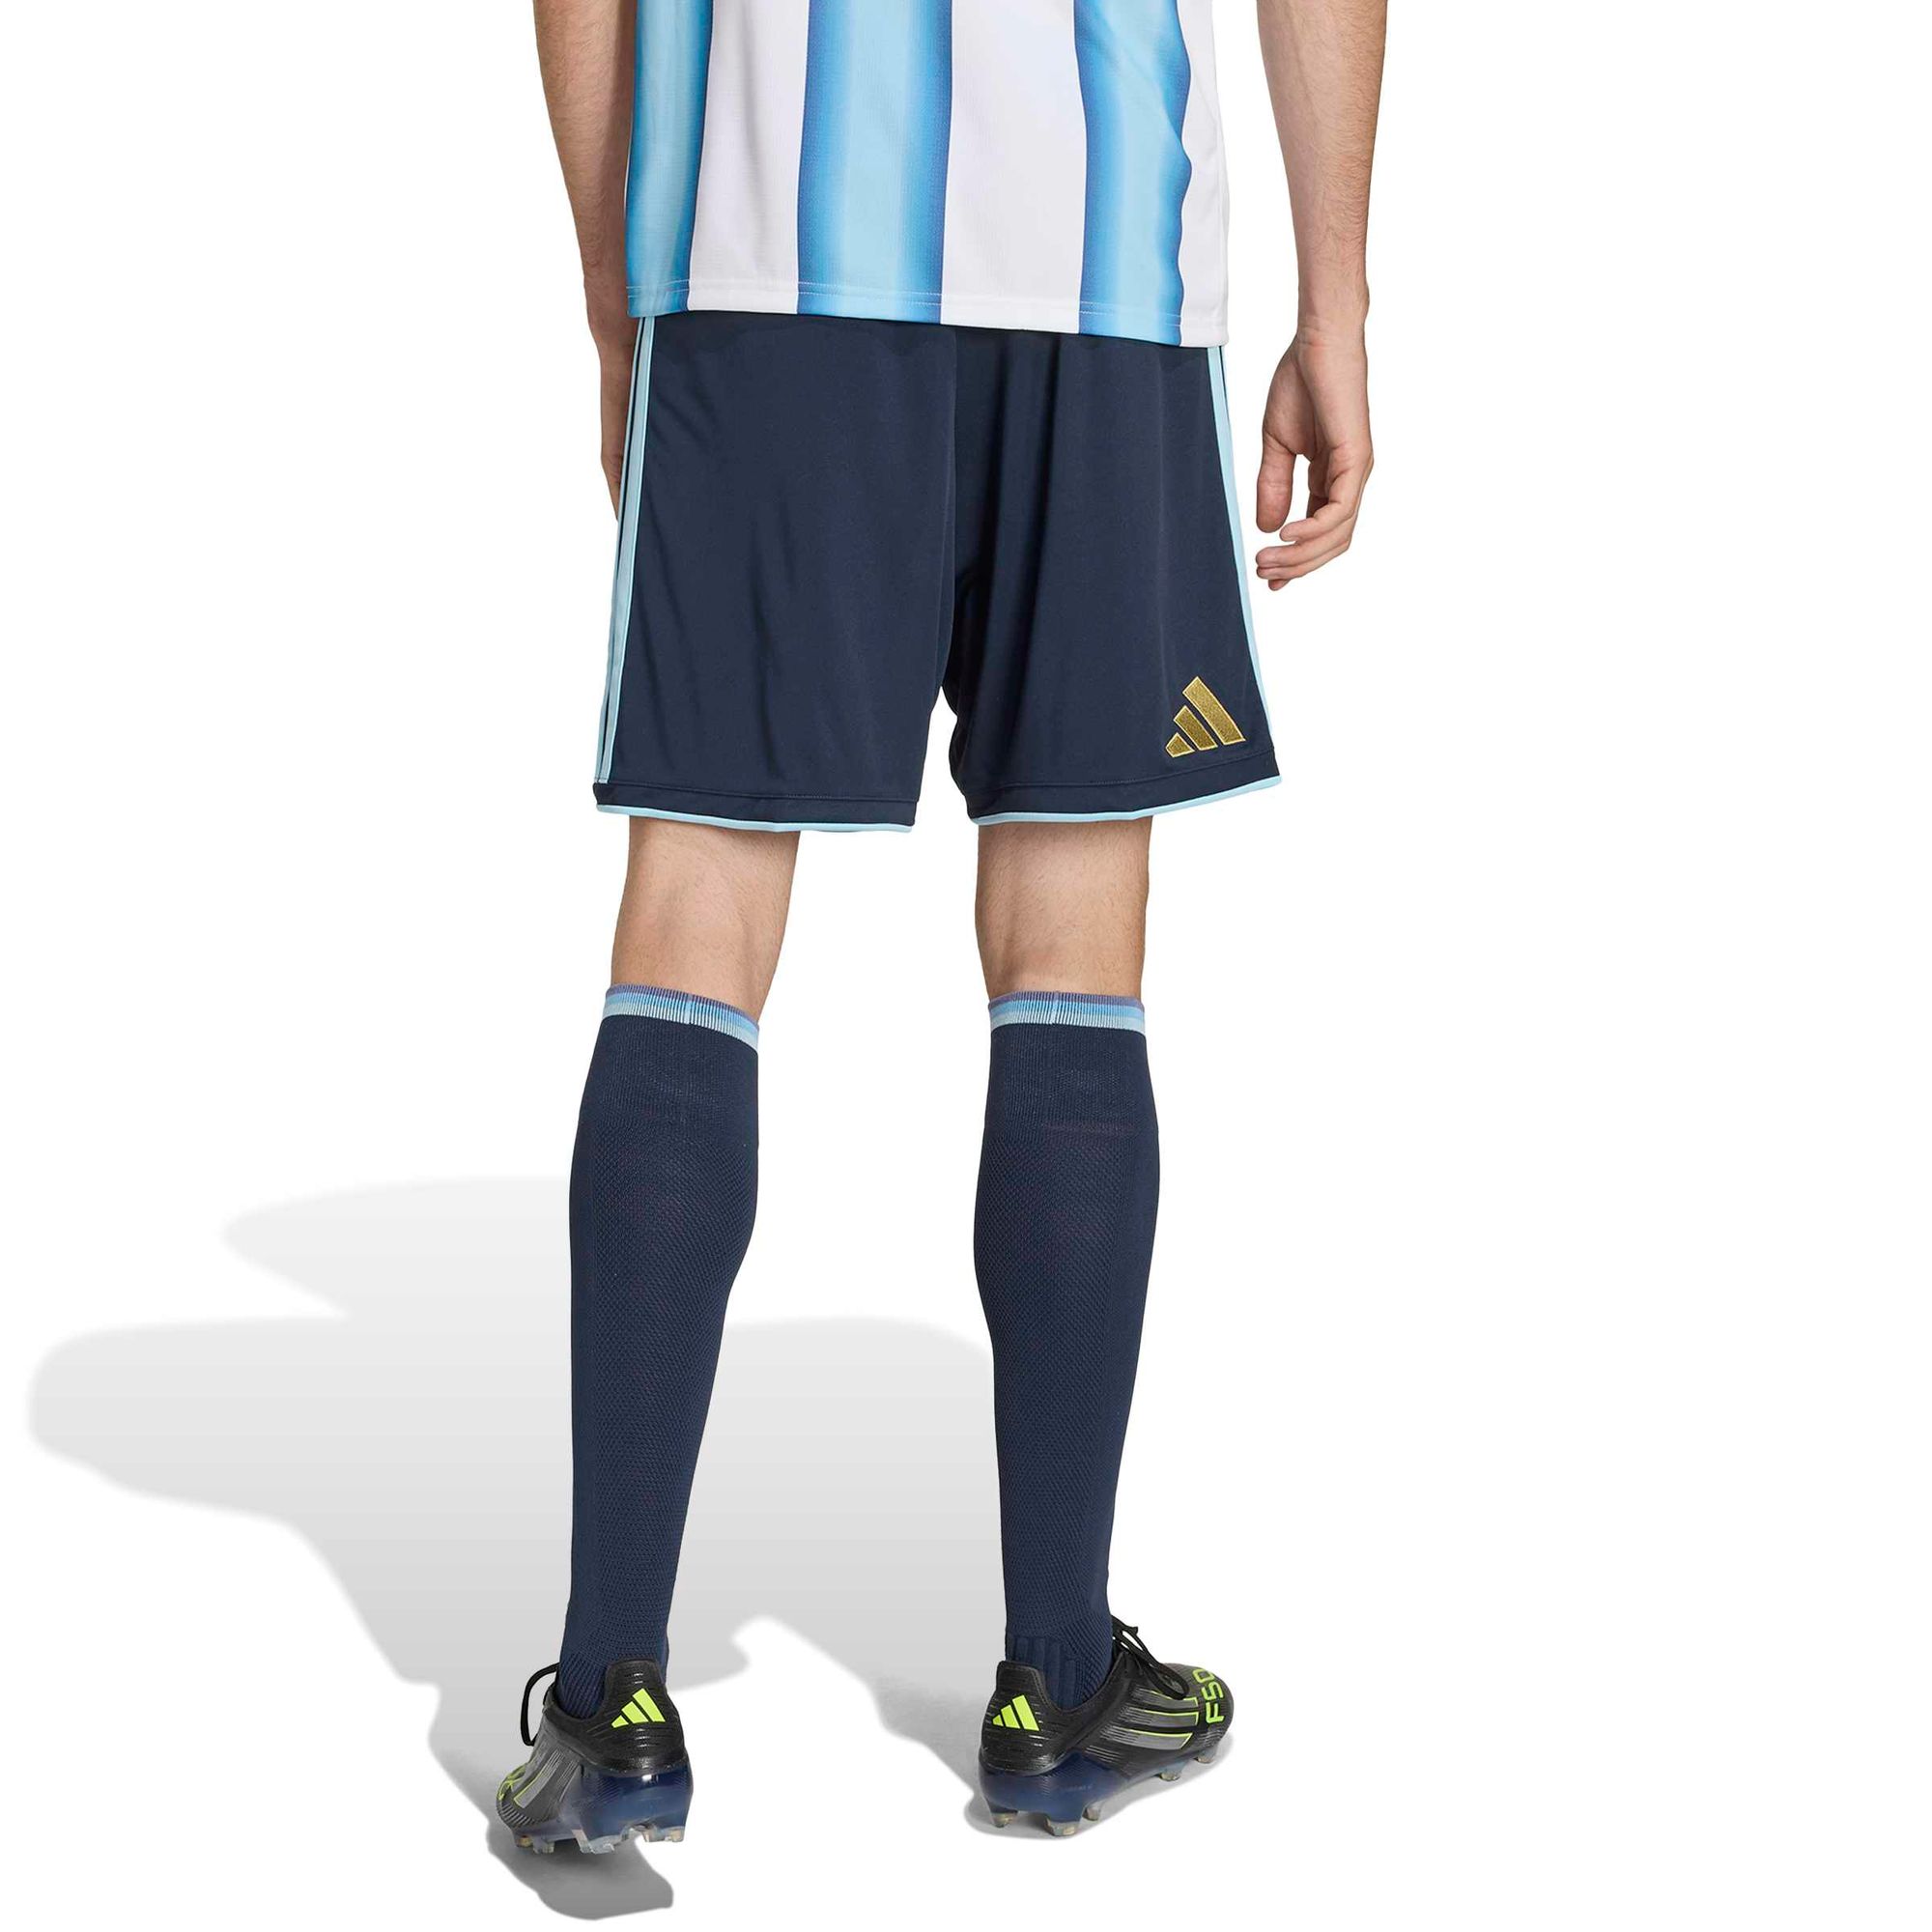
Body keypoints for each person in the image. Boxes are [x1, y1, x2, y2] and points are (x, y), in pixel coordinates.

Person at [497, 0, 1384, 1850]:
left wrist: (615, 294)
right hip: (1102, 259)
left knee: (696, 905)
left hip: (763, 251)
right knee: (1076, 931)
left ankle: (612, 1698)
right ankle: (1055, 1680)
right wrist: (1338, 306)